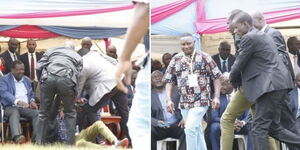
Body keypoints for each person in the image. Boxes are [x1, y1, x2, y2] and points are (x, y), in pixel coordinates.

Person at [229, 11, 300, 149]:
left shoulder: (249, 37)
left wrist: (230, 77)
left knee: (258, 128)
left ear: (245, 24)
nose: (235, 31)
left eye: (236, 28)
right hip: (276, 84)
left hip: (270, 85)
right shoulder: (260, 34)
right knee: (273, 128)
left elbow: (239, 62)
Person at [164, 33, 221, 150]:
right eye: (183, 44)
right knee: (197, 129)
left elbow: (217, 77)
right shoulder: (176, 59)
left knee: (189, 128)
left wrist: (216, 97)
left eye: (188, 43)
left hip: (202, 99)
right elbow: (169, 80)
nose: (186, 46)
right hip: (184, 102)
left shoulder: (205, 56)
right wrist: (169, 99)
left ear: (194, 42)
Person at [115, 0, 149, 149]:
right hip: (147, 65)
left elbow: (144, 8)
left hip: (147, 69)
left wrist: (124, 57)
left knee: (139, 126)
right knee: (139, 125)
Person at [76, 48, 129, 142]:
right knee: (124, 113)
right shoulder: (96, 54)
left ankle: (102, 140)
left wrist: (77, 98)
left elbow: (80, 85)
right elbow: (114, 61)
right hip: (120, 78)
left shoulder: (84, 64)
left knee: (91, 110)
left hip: (108, 84)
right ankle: (130, 140)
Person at [36, 44, 83, 145]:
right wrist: (75, 93)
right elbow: (79, 75)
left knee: (43, 113)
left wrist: (41, 81)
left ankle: (39, 144)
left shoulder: (51, 49)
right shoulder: (77, 56)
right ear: (72, 49)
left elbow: (39, 66)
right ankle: (70, 145)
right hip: (67, 79)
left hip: (48, 78)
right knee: (70, 113)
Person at [0, 60, 38, 143]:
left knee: (37, 113)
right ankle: (17, 137)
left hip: (25, 108)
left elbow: (31, 93)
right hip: (9, 107)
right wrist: (17, 101)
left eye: (23, 69)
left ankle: (36, 139)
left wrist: (32, 101)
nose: (21, 72)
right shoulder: (4, 79)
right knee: (15, 111)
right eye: (19, 70)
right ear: (12, 70)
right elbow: (4, 93)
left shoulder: (27, 80)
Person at [210, 76, 252, 150]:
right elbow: (214, 117)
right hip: (223, 125)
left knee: (252, 126)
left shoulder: (241, 93)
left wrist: (242, 122)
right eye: (220, 85)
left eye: (223, 84)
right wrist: (229, 122)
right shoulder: (217, 96)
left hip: (240, 126)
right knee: (214, 127)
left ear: (231, 84)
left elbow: (249, 114)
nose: (221, 87)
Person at [151, 70, 186, 150]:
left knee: (188, 130)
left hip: (177, 125)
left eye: (160, 76)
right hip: (160, 127)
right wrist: (156, 122)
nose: (158, 79)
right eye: (154, 77)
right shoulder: (149, 95)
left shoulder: (175, 90)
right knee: (149, 131)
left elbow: (187, 104)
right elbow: (147, 116)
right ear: (151, 81)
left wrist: (185, 117)